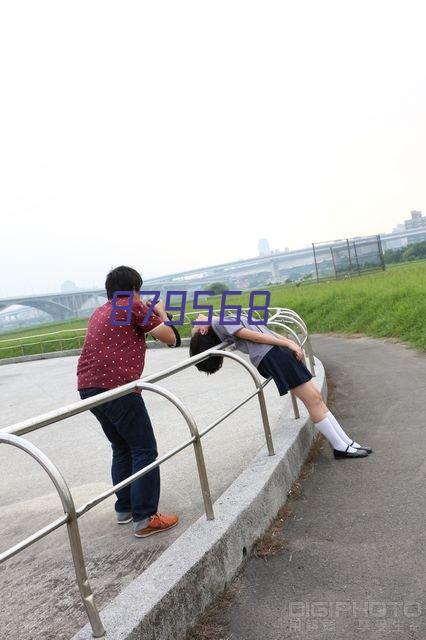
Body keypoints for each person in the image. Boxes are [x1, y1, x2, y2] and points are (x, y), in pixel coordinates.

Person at [77, 266, 180, 538]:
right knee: (144, 449)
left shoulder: (100, 311)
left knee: (121, 447)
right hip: (118, 387)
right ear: (134, 288)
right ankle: (145, 517)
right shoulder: (133, 305)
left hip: (87, 387)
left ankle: (124, 508)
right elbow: (171, 338)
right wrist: (161, 314)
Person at [189, 313, 372, 458]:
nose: (195, 320)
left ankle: (346, 442)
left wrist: (289, 342)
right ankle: (340, 447)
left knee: (316, 396)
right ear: (203, 331)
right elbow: (254, 336)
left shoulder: (220, 319)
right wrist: (287, 342)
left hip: (276, 352)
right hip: (272, 356)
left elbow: (263, 329)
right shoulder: (220, 322)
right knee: (312, 400)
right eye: (194, 327)